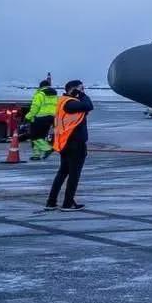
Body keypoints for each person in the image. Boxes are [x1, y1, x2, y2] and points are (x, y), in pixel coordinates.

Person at [47, 80, 93, 210]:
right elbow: (89, 105)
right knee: (74, 175)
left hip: (66, 143)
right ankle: (67, 203)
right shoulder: (70, 103)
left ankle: (51, 202)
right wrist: (82, 95)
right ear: (73, 89)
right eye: (81, 88)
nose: (83, 90)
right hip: (75, 144)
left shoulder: (64, 101)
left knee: (63, 172)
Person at [26, 79, 58, 161]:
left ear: (41, 87)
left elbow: (35, 108)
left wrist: (28, 116)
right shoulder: (55, 96)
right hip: (51, 118)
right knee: (41, 136)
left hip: (40, 118)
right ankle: (36, 154)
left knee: (34, 137)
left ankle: (47, 148)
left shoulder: (40, 95)